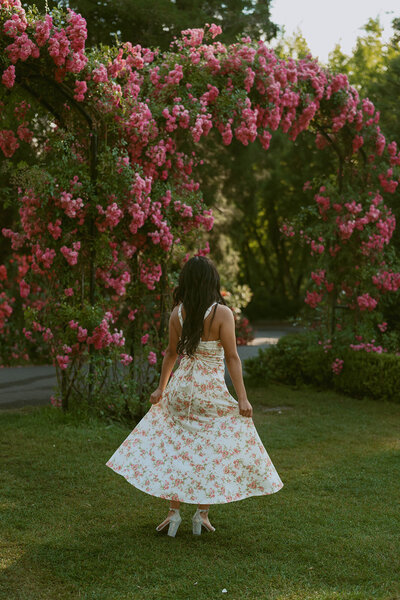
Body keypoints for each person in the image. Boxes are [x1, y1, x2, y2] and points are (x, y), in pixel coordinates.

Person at [105, 255, 284, 537]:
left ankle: (173, 513)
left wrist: (161, 388)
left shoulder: (177, 312)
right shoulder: (222, 314)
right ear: (212, 281)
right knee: (210, 449)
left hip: (180, 389)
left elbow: (170, 354)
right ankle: (201, 515)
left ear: (185, 283)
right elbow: (233, 358)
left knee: (177, 447)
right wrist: (243, 398)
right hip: (208, 393)